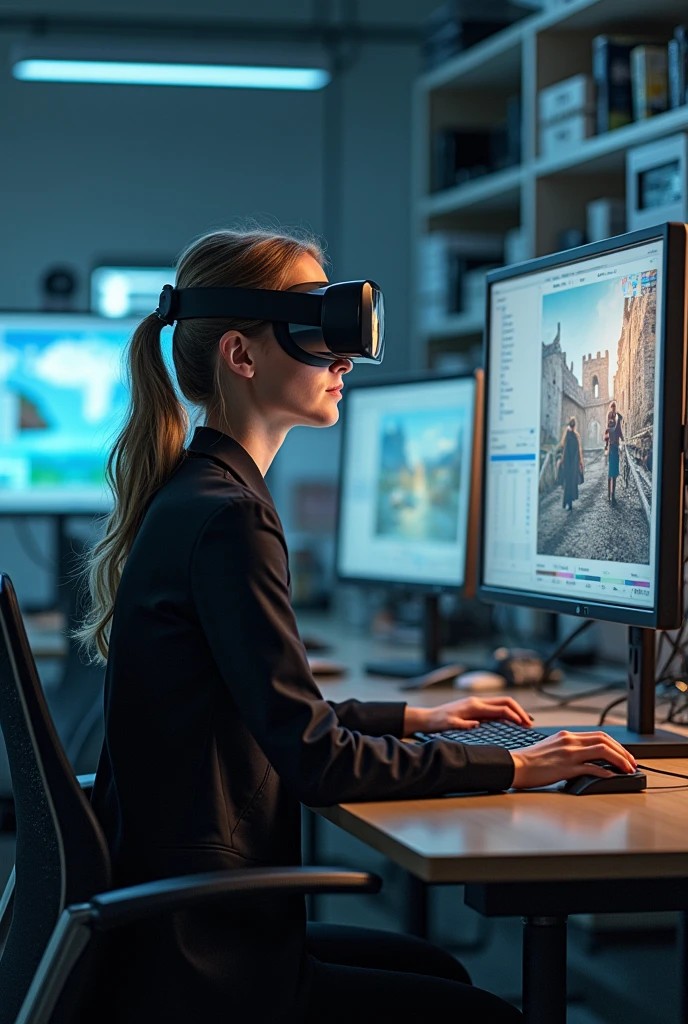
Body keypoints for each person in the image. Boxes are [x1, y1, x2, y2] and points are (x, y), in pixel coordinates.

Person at [78, 229, 637, 1023]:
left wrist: (414, 718)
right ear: (242, 355)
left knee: (438, 968)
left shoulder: (198, 495)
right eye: (320, 333)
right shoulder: (229, 519)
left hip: (178, 931)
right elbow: (314, 764)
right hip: (208, 965)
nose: (345, 361)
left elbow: (268, 716)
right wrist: (514, 769)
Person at [559, 416, 584, 512]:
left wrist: (562, 461)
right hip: (572, 464)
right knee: (570, 484)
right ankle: (568, 503)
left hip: (569, 463)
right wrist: (581, 463)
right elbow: (577, 451)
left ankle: (567, 503)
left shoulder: (569, 436)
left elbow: (565, 450)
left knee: (568, 484)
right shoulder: (573, 436)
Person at [605, 405, 624, 504]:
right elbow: (608, 435)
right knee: (611, 474)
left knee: (614, 474)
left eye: (614, 409)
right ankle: (610, 495)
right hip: (613, 449)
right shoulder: (610, 426)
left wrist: (623, 440)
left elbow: (619, 432)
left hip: (614, 449)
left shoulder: (614, 425)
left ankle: (612, 495)